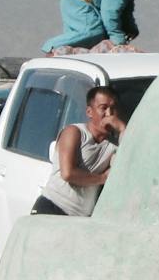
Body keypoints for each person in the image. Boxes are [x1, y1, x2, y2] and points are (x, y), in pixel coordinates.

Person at [33, 85, 121, 217]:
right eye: (103, 108)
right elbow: (68, 174)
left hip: (80, 219)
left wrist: (122, 128)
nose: (109, 114)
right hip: (52, 208)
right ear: (89, 112)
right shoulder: (75, 132)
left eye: (113, 109)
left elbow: (130, 157)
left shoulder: (114, 145)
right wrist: (103, 178)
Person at [42, 0, 159, 54]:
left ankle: (64, 56)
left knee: (80, 41)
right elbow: (110, 11)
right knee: (94, 31)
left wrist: (131, 29)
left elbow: (125, 12)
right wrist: (117, 39)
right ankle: (52, 48)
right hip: (77, 0)